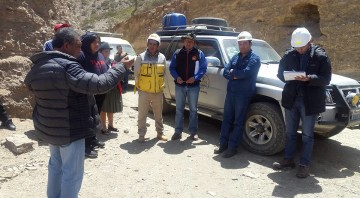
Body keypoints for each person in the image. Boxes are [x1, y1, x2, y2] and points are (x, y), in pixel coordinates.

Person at [24, 27, 131, 198]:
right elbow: (99, 84)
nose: (81, 50)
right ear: (66, 46)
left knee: (55, 168)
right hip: (70, 130)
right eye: (78, 46)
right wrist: (121, 67)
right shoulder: (68, 67)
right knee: (71, 175)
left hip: (50, 129)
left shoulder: (39, 66)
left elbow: (29, 84)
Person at [272, 27, 332, 178]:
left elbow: (326, 79)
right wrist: (290, 76)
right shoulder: (289, 54)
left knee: (307, 135)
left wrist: (309, 78)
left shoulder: (320, 56)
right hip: (292, 99)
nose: (299, 49)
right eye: (296, 46)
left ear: (310, 42)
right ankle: (288, 159)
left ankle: (304, 164)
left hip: (308, 101)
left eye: (302, 46)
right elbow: (280, 74)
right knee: (290, 132)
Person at [214, 31, 261, 158]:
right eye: (240, 44)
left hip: (243, 94)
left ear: (250, 44)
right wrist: (235, 74)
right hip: (231, 93)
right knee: (227, 119)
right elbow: (225, 72)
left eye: (245, 43)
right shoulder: (235, 57)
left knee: (238, 122)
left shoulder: (255, 59)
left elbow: (246, 73)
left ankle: (233, 147)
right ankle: (223, 144)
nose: (242, 46)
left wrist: (233, 74)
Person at [169, 33, 207, 141]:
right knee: (179, 109)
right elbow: (172, 68)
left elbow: (203, 69)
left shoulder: (199, 54)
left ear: (194, 43)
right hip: (180, 85)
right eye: (186, 41)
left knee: (193, 110)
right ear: (183, 42)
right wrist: (177, 77)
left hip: (193, 86)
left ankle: (193, 132)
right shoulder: (177, 53)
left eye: (190, 41)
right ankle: (178, 132)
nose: (188, 43)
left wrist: (195, 78)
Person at [77, 32, 110, 158]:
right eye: (94, 42)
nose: (97, 44)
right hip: (87, 94)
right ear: (87, 43)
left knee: (95, 118)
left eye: (98, 42)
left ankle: (92, 139)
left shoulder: (100, 55)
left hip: (101, 93)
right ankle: (85, 145)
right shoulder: (81, 56)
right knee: (87, 119)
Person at [133, 33, 168, 143]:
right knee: (142, 114)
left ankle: (160, 133)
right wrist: (140, 89)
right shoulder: (141, 57)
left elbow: (164, 73)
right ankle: (141, 135)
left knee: (158, 114)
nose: (152, 46)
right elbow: (136, 74)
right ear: (147, 44)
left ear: (158, 45)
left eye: (154, 44)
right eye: (150, 43)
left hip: (157, 92)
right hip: (144, 92)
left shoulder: (162, 58)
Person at [99, 42, 123, 133]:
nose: (108, 53)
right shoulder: (98, 63)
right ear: (100, 52)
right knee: (103, 108)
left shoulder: (111, 61)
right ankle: (103, 127)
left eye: (108, 51)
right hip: (102, 88)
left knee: (110, 107)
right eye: (106, 51)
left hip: (112, 88)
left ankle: (111, 125)